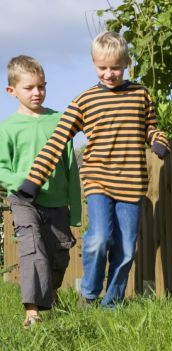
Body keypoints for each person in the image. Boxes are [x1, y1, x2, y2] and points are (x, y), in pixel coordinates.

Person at [17, 31, 170, 308]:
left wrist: (158, 141)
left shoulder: (140, 95)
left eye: (116, 68)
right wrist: (33, 181)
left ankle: (112, 304)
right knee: (98, 239)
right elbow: (57, 141)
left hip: (133, 184)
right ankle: (89, 295)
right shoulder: (84, 100)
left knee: (125, 249)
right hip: (99, 181)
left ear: (126, 64)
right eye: (103, 68)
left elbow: (152, 127)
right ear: (93, 64)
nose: (109, 74)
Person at [0, 55, 82, 328]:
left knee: (59, 255)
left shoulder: (60, 121)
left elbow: (71, 165)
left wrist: (75, 209)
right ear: (11, 91)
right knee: (32, 250)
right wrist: (21, 181)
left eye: (42, 86)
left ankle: (52, 293)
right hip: (24, 202)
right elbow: (1, 169)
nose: (37, 92)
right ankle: (32, 312)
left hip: (57, 201)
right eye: (29, 87)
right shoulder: (8, 129)